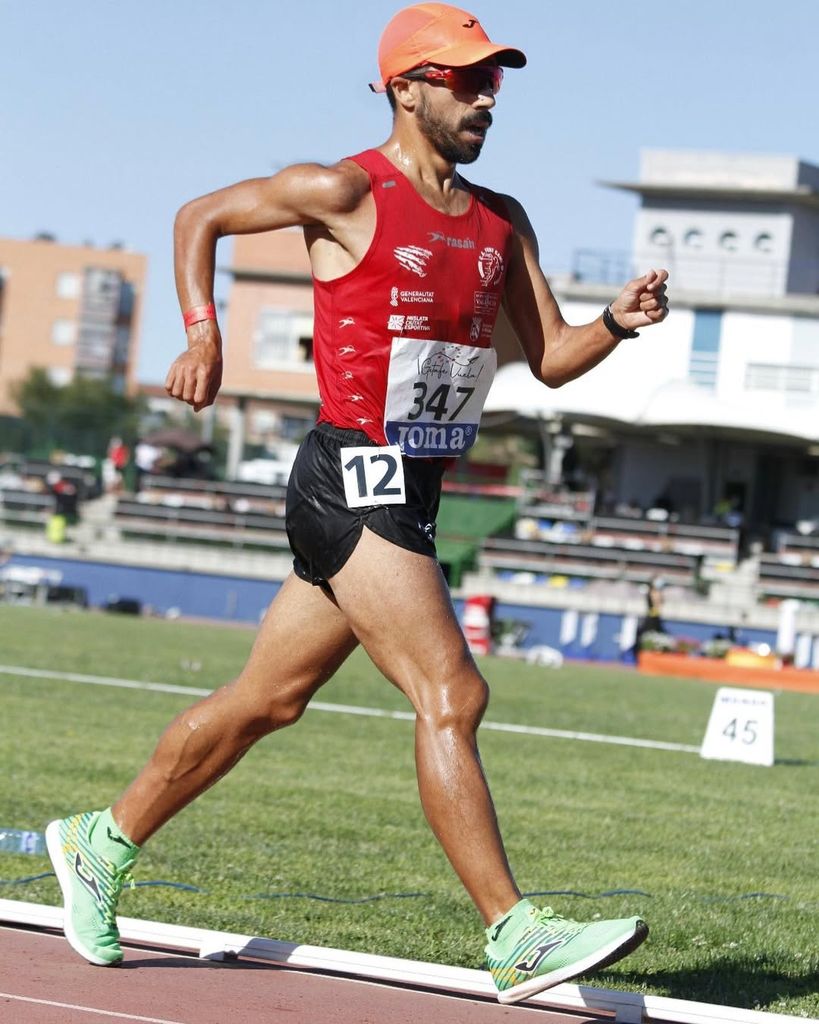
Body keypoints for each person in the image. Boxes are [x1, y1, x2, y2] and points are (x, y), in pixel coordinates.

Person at [46, 2, 669, 1005]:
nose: (486, 96)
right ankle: (514, 932)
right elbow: (195, 215)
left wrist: (616, 323)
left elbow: (551, 359)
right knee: (451, 692)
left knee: (267, 700)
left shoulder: (503, 221)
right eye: (466, 78)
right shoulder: (342, 190)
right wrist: (204, 334)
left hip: (413, 488)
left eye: (494, 79)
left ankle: (98, 841)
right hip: (350, 473)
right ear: (405, 85)